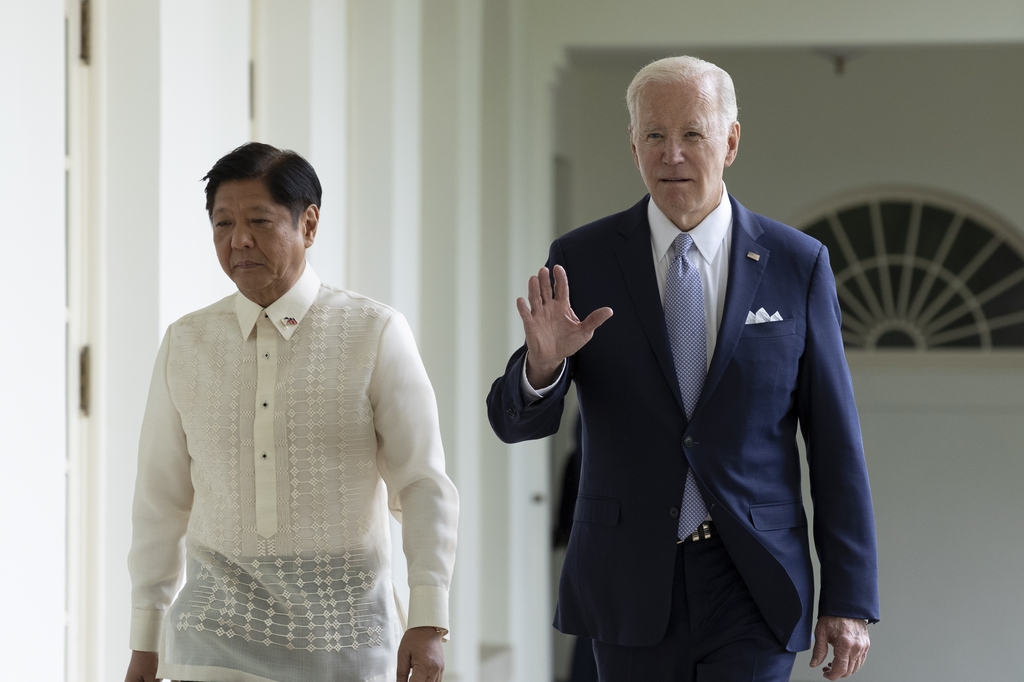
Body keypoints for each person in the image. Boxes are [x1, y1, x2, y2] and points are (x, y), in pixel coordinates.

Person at [486, 56, 878, 681]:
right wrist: (542, 365)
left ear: (731, 140)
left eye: (692, 134)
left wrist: (850, 597)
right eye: (654, 137)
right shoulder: (583, 259)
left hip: (754, 579)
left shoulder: (796, 263)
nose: (672, 155)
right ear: (633, 145)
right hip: (628, 575)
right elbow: (516, 423)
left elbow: (835, 442)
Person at [124, 142, 458, 682]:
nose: (239, 241)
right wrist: (145, 638)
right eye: (222, 224)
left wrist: (429, 618)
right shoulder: (186, 342)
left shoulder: (373, 333)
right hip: (210, 637)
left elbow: (422, 484)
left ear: (309, 224)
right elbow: (160, 500)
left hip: (345, 643)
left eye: (259, 220)